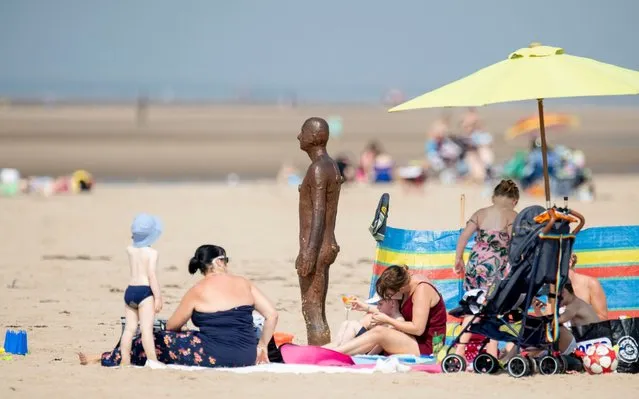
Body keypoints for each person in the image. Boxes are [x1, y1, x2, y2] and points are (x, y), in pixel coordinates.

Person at [80, 244, 279, 368]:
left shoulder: (197, 290)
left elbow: (171, 327)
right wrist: (261, 346)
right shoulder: (244, 283)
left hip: (215, 355)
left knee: (154, 338)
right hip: (247, 354)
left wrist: (182, 329)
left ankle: (104, 357)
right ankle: (101, 356)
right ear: (218, 262)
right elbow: (272, 315)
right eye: (226, 260)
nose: (227, 264)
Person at [453, 179, 520, 358]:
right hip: (495, 267)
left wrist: (458, 259)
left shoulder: (480, 213)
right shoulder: (512, 216)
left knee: (472, 307)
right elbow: (516, 242)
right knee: (493, 310)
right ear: (515, 201)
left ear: (493, 197)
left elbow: (464, 237)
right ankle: (491, 351)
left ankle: (459, 349)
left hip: (475, 265)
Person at [296, 117, 343, 345]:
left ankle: (318, 351)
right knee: (318, 309)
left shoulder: (317, 169)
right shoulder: (330, 164)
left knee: (311, 308)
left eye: (303, 132)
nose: (299, 136)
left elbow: (318, 213)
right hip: (327, 242)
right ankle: (321, 347)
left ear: (313, 137)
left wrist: (308, 252)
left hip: (317, 245)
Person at [331, 265, 447, 356]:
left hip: (429, 347)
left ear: (400, 288)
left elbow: (418, 329)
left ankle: (335, 353)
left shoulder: (421, 290)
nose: (389, 297)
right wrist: (365, 307)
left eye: (390, 294)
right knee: (367, 320)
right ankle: (329, 349)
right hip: (411, 339)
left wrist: (387, 320)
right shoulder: (406, 284)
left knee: (380, 332)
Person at [120, 213, 164, 367]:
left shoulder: (130, 250)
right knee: (146, 330)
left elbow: (133, 244)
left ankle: (125, 360)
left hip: (130, 290)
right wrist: (157, 297)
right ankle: (152, 360)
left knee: (129, 329)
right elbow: (151, 275)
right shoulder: (152, 253)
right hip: (145, 291)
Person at [331, 294, 405, 354]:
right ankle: (334, 349)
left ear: (392, 303)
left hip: (371, 350)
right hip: (368, 346)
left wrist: (367, 357)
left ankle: (337, 352)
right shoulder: (388, 315)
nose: (377, 307)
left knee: (353, 325)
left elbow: (380, 344)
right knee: (346, 323)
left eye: (380, 304)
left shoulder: (397, 321)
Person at [568, 253, 608, 320]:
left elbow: (603, 317)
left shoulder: (590, 283)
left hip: (584, 329)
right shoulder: (551, 286)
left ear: (570, 261)